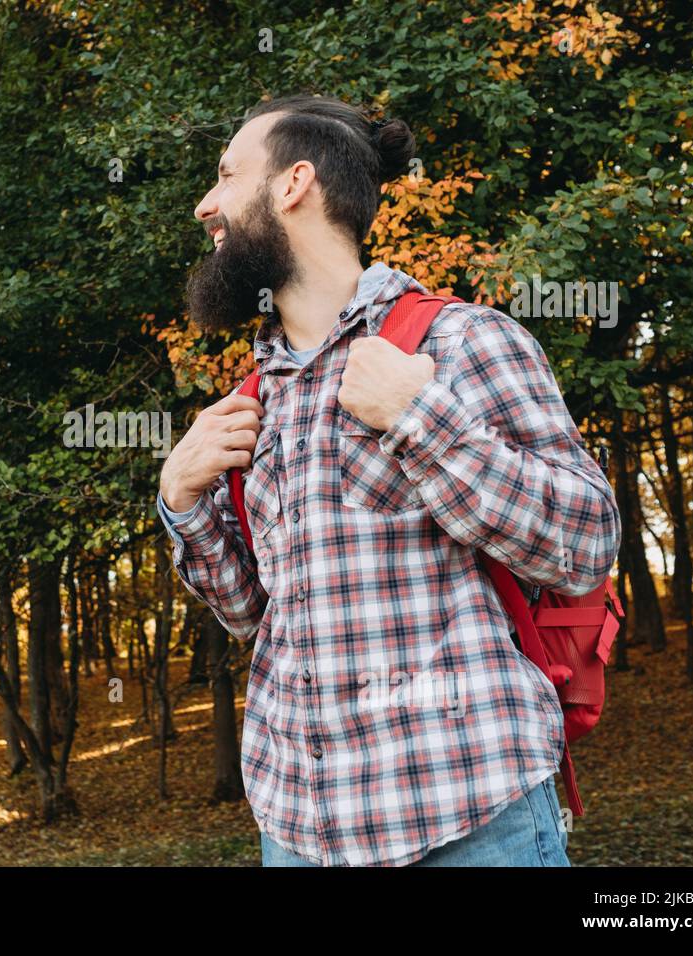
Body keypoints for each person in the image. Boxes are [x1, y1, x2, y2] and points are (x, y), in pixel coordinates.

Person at [156, 94, 621, 867]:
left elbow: (583, 541)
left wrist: (417, 417)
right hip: (300, 828)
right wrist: (182, 501)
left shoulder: (463, 340)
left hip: (470, 815)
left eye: (226, 175)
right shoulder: (251, 400)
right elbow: (252, 615)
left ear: (292, 183)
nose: (207, 204)